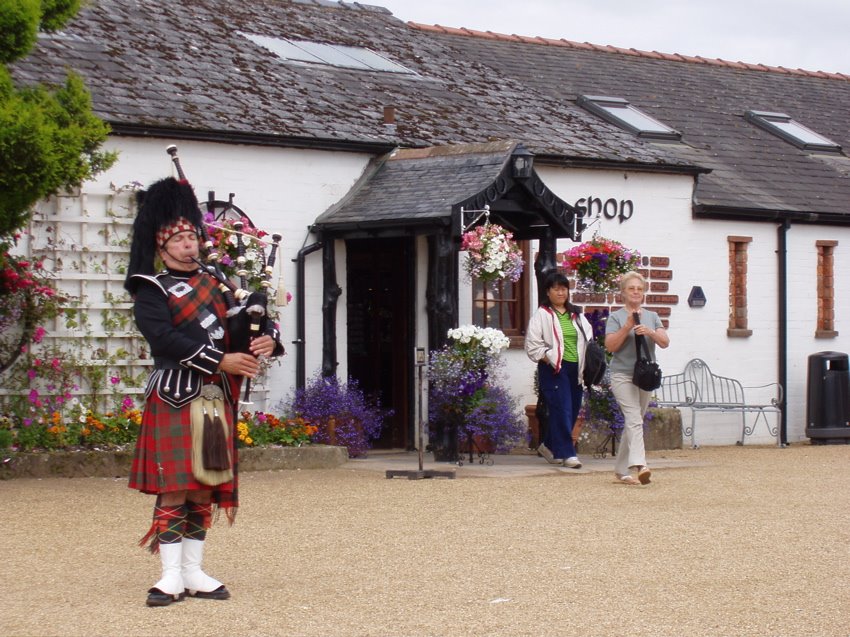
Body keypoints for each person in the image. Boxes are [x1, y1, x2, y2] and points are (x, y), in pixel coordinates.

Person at [124, 177, 283, 606]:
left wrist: (268, 339)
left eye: (192, 236)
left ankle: (194, 571)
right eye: (178, 239)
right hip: (176, 394)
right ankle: (170, 575)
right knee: (174, 485)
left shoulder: (219, 283)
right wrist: (220, 361)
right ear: (162, 246)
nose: (188, 245)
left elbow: (245, 324)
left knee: (203, 486)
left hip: (215, 400)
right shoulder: (151, 289)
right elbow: (163, 340)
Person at [604, 271, 669, 485]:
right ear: (623, 292)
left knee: (635, 421)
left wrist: (649, 331)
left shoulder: (652, 316)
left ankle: (622, 470)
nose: (635, 292)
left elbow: (665, 341)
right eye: (631, 288)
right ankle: (641, 465)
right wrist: (627, 326)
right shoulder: (616, 317)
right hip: (622, 374)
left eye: (639, 289)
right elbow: (610, 346)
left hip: (645, 376)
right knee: (633, 418)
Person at [525, 271, 593, 468]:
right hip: (554, 369)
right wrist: (550, 358)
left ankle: (548, 445)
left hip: (576, 369)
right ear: (548, 292)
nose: (561, 293)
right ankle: (568, 454)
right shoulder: (542, 315)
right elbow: (533, 345)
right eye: (556, 289)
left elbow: (589, 339)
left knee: (571, 409)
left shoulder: (577, 315)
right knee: (562, 409)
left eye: (564, 289)